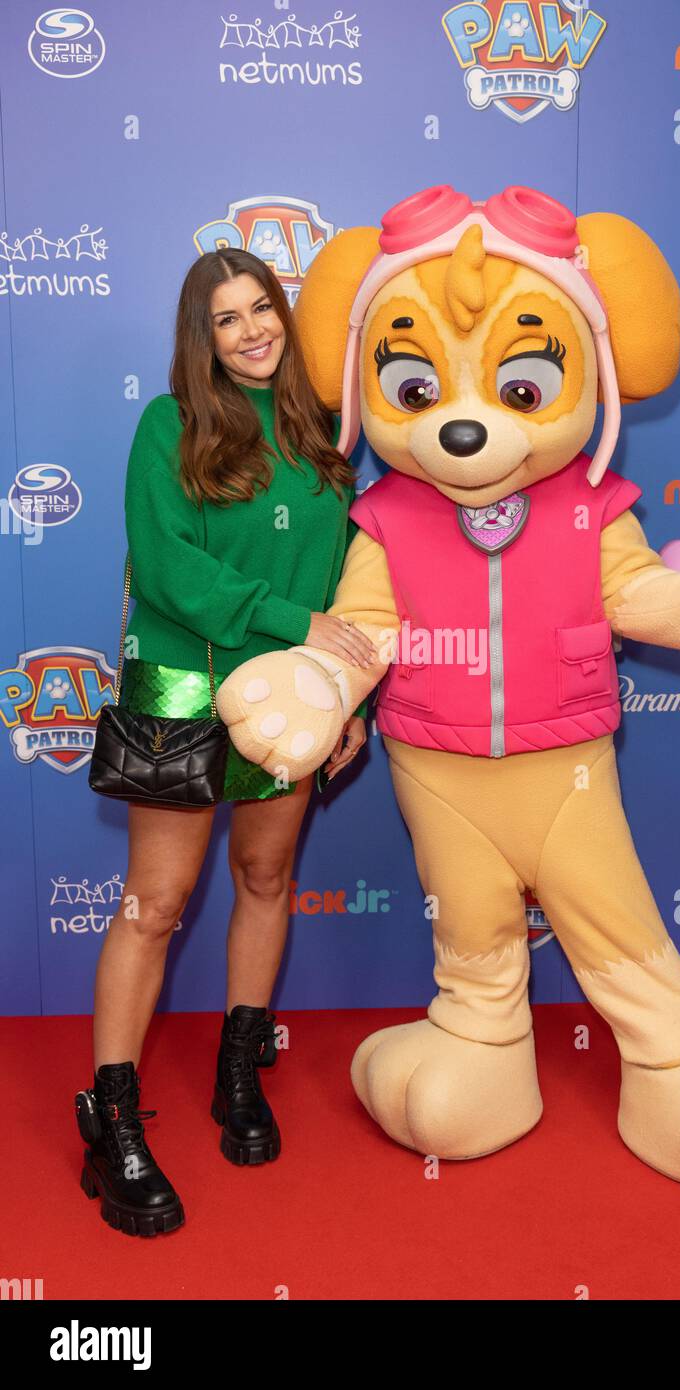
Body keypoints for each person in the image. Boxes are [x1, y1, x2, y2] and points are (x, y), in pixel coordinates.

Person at [77, 248, 377, 1237]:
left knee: (265, 876)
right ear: (198, 337)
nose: (250, 329)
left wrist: (346, 697)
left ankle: (236, 1072)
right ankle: (111, 1121)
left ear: (283, 318)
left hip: (288, 694)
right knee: (154, 904)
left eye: (261, 309)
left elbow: (347, 590)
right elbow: (169, 571)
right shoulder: (167, 425)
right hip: (179, 683)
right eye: (225, 318)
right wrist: (294, 623)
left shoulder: (322, 431)